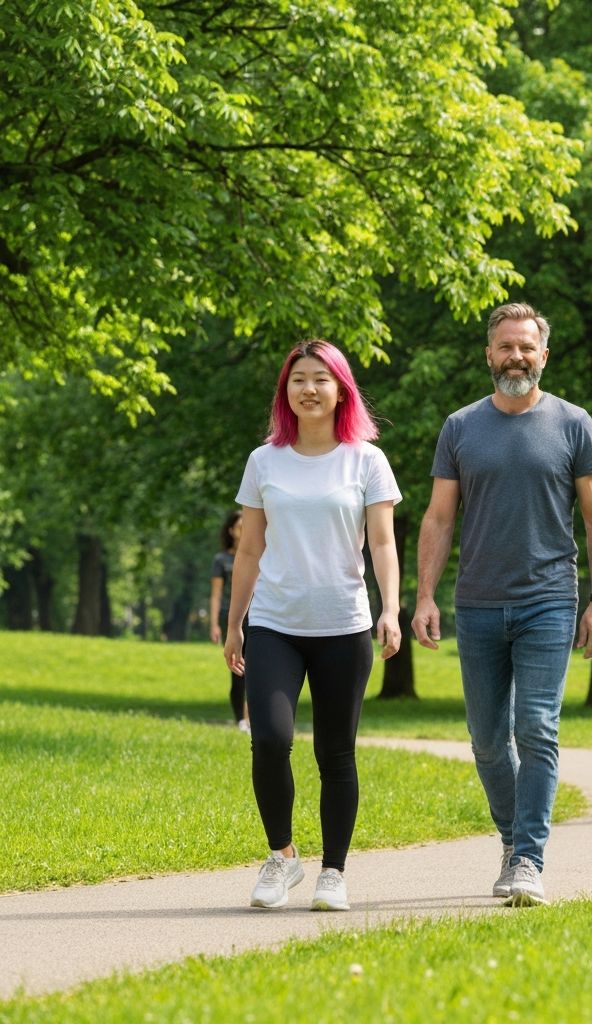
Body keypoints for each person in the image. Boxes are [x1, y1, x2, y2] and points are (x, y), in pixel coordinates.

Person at [411, 302, 592, 908]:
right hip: (475, 602)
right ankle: (511, 838)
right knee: (485, 740)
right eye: (506, 346)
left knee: (537, 727)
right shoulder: (460, 427)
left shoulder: (574, 424)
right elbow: (439, 516)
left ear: (543, 355)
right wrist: (424, 595)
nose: (517, 357)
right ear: (489, 354)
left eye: (527, 347)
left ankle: (527, 858)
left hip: (549, 599)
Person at [224, 339, 402, 911]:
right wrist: (235, 625)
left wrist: (390, 608)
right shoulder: (264, 461)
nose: (309, 388)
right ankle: (282, 857)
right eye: (298, 379)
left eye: (320, 379)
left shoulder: (366, 460)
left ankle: (334, 871)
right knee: (270, 739)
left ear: (341, 389)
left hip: (343, 626)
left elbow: (381, 542)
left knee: (336, 752)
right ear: (286, 392)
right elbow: (248, 550)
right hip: (275, 623)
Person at [209, 509, 250, 733]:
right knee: (238, 666)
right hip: (232, 616)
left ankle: (251, 716)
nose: (244, 531)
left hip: (258, 615)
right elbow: (216, 594)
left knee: (257, 667)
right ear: (231, 530)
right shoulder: (222, 560)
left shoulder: (261, 555)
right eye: (240, 527)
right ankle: (241, 720)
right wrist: (214, 623)